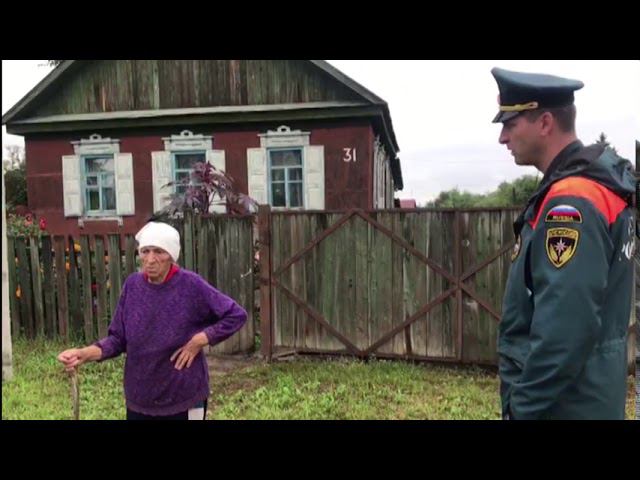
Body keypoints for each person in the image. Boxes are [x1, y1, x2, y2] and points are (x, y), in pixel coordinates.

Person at [492, 67, 635, 420]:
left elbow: (565, 330)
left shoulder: (572, 201)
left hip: (565, 406)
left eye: (510, 124)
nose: (503, 138)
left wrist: (521, 410)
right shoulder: (598, 187)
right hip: (590, 397)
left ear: (544, 123)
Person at [57, 221, 247, 420]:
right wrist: (84, 354)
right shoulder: (133, 286)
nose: (150, 259)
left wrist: (200, 340)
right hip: (140, 399)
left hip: (184, 397)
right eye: (145, 251)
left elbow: (236, 315)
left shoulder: (191, 285)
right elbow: (118, 339)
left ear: (171, 256)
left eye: (159, 252)